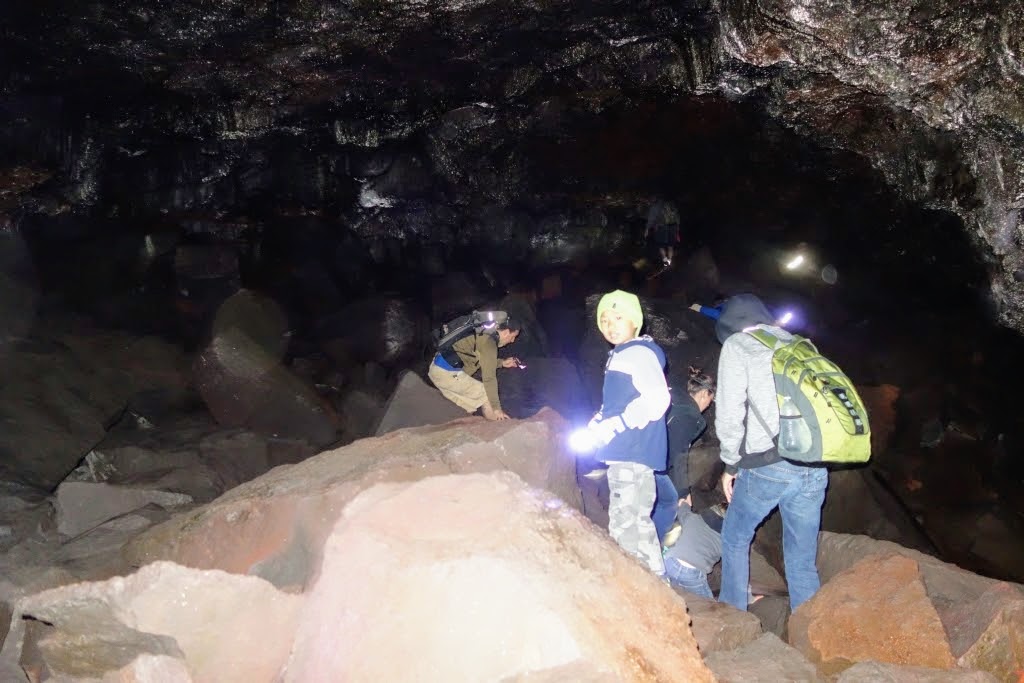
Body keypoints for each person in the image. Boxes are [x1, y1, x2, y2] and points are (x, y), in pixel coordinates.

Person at [714, 293, 828, 612]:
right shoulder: (800, 345)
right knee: (801, 560)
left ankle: (735, 615)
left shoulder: (739, 345)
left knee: (735, 537)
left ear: (731, 325)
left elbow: (729, 413)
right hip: (814, 464)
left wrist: (730, 465)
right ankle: (809, 628)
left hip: (770, 463)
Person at [578, 290, 670, 575]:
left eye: (619, 318)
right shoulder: (623, 354)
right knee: (638, 521)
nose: (610, 325)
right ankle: (657, 580)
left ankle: (631, 584)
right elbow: (620, 402)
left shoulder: (637, 353)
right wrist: (599, 420)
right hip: (631, 450)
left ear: (635, 321)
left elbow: (657, 399)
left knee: (624, 522)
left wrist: (616, 424)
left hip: (631, 449)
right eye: (604, 320)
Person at [653, 366, 717, 545]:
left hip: (644, 451)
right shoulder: (688, 416)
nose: (708, 405)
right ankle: (653, 542)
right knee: (670, 500)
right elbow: (679, 455)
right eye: (710, 399)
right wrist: (683, 492)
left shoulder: (673, 396)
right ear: (703, 393)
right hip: (651, 462)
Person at [427, 316, 522, 421]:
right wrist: (496, 409)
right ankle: (498, 425)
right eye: (513, 336)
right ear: (506, 332)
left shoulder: (482, 332)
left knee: (467, 406)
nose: (513, 341)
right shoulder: (489, 342)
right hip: (447, 374)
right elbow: (489, 378)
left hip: (437, 369)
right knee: (486, 394)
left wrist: (502, 363)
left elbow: (482, 359)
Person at [645, 199, 681, 268]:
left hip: (661, 227)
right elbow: (677, 217)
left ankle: (665, 260)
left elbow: (652, 220)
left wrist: (647, 229)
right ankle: (669, 261)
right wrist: (677, 229)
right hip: (672, 226)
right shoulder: (671, 205)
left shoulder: (655, 207)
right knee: (670, 246)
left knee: (661, 246)